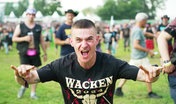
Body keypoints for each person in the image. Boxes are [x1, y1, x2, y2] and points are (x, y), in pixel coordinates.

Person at [11, 19, 161, 104]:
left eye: (89, 39)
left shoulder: (111, 63)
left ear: (97, 40)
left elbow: (145, 76)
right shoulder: (61, 65)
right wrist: (20, 74)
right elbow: (29, 79)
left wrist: (152, 74)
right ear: (71, 42)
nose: (84, 45)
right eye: (79, 40)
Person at [115, 13, 162, 98]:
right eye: (145, 21)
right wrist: (149, 51)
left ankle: (118, 89)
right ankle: (150, 93)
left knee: (126, 72)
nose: (146, 23)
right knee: (149, 73)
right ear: (142, 20)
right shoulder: (137, 30)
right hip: (140, 58)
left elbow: (144, 34)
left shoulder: (136, 29)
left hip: (135, 57)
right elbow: (136, 45)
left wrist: (154, 35)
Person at [12, 8, 47, 99]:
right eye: (29, 14)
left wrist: (45, 53)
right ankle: (23, 86)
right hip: (24, 53)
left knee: (35, 72)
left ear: (35, 16)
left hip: (35, 53)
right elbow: (14, 38)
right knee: (24, 73)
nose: (31, 16)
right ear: (26, 15)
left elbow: (42, 41)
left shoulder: (38, 27)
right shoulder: (21, 26)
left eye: (33, 14)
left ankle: (33, 93)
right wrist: (24, 38)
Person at [157, 18, 176, 104]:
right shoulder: (160, 26)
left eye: (166, 19)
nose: (165, 20)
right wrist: (166, 62)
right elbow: (161, 37)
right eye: (164, 19)